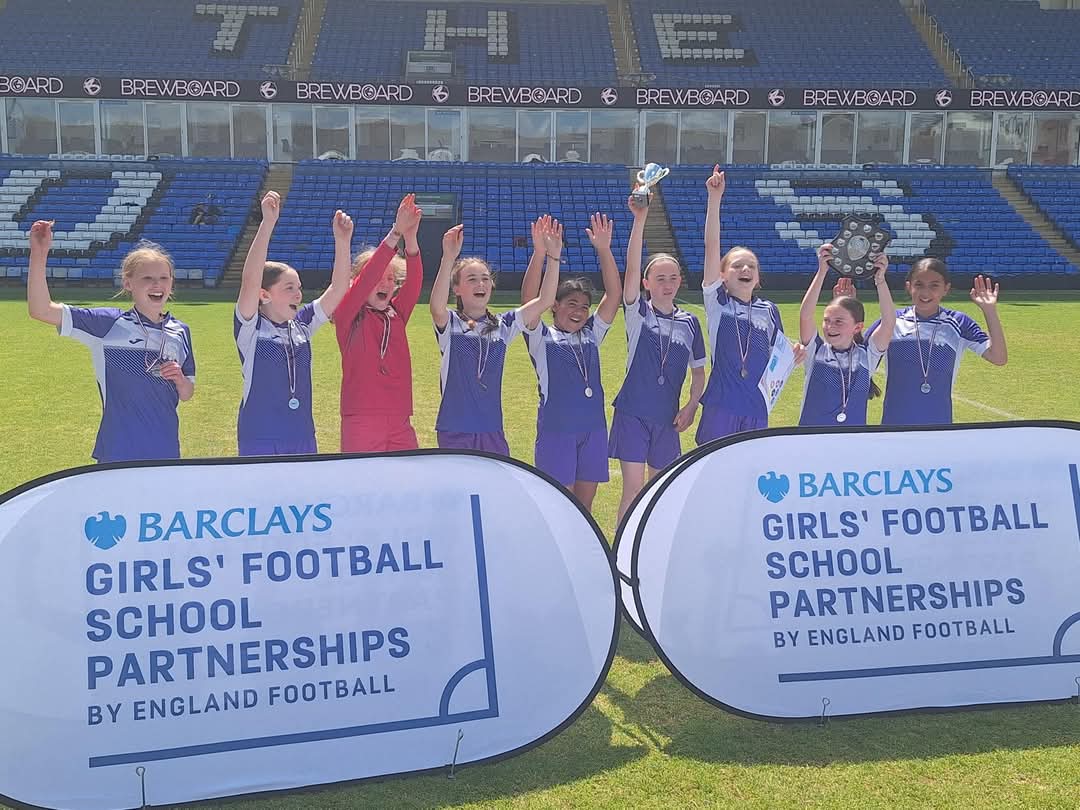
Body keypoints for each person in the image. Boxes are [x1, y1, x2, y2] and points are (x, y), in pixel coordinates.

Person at [26, 220, 195, 463]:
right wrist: (39, 254)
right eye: (147, 278)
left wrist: (179, 378)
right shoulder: (106, 324)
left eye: (164, 278)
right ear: (128, 283)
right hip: (118, 448)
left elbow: (188, 393)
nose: (157, 285)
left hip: (166, 449)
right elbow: (40, 310)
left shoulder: (180, 331)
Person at [610, 193, 706, 528]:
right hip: (633, 413)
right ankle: (622, 550)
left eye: (673, 278)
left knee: (659, 488)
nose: (667, 284)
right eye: (659, 278)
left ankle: (649, 547)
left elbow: (698, 373)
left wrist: (693, 405)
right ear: (647, 283)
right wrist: (639, 220)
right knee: (634, 488)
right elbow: (632, 266)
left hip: (668, 419)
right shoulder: (638, 313)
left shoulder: (690, 322)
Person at [234, 191, 353, 456]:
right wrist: (267, 224)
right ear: (264, 294)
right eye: (289, 288)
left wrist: (342, 242)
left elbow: (339, 289)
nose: (298, 294)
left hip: (301, 433)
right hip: (260, 435)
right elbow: (250, 281)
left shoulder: (302, 325)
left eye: (299, 288)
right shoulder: (250, 329)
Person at [430, 218, 562, 455]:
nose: (481, 283)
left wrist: (552, 258)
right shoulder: (451, 324)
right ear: (457, 289)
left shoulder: (504, 325)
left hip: (492, 429)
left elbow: (545, 300)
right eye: (471, 279)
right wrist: (448, 257)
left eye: (484, 278)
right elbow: (437, 307)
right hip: (455, 428)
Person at [520, 213, 622, 510]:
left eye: (584, 306)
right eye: (571, 304)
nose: (579, 311)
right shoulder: (541, 337)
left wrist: (603, 249)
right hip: (557, 431)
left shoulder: (592, 333)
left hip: (593, 431)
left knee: (585, 507)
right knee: (559, 506)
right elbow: (529, 298)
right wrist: (541, 254)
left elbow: (614, 295)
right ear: (554, 306)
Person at [698, 165, 802, 444]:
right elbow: (712, 246)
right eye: (737, 265)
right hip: (721, 404)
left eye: (751, 266)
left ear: (757, 278)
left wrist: (793, 357)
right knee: (714, 470)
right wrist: (714, 199)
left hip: (757, 408)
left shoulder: (769, 311)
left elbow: (777, 360)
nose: (745, 269)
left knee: (748, 473)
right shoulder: (718, 302)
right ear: (722, 276)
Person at [867, 258, 1007, 425]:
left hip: (939, 427)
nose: (925, 293)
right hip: (894, 426)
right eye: (919, 285)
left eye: (934, 285)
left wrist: (989, 311)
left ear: (946, 289)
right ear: (908, 286)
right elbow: (859, 362)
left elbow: (998, 357)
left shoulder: (959, 323)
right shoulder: (891, 321)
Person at [334, 194, 424, 453]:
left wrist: (411, 238)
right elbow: (367, 278)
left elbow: (415, 283)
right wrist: (396, 232)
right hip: (361, 416)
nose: (386, 283)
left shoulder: (396, 314)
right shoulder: (347, 314)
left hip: (399, 417)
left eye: (392, 279)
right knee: (362, 486)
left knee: (406, 483)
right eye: (379, 278)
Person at [797, 245, 894, 426]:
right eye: (827, 320)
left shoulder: (866, 356)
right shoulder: (816, 351)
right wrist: (821, 272)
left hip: (852, 441)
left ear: (857, 327)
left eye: (839, 321)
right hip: (811, 438)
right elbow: (805, 315)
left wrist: (880, 280)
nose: (830, 326)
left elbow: (888, 323)